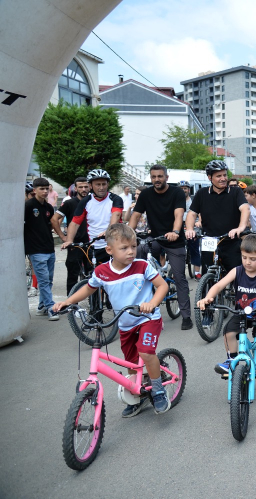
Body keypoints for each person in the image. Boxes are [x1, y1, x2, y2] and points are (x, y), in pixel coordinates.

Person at [52, 224, 171, 416]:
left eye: (133, 246)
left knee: (146, 352)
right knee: (131, 365)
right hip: (124, 323)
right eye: (124, 248)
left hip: (148, 318)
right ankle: (137, 395)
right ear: (109, 250)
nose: (131, 252)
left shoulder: (142, 266)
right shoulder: (101, 272)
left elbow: (162, 286)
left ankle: (158, 390)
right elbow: (88, 289)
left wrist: (153, 303)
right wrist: (67, 302)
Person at [196, 234, 256, 376]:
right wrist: (207, 298)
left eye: (253, 259)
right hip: (241, 313)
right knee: (228, 332)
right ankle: (232, 359)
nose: (247, 262)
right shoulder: (237, 271)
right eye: (244, 257)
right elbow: (218, 286)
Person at [128, 165, 193, 331]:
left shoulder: (177, 192)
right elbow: (136, 215)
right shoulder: (146, 194)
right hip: (155, 238)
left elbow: (179, 215)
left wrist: (176, 231)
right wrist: (127, 235)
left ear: (166, 177)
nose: (157, 179)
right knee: (139, 263)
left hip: (174, 239)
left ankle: (186, 315)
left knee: (179, 276)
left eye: (160, 176)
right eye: (154, 177)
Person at [185, 160, 250, 277]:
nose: (223, 178)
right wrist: (190, 229)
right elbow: (192, 213)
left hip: (231, 240)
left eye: (225, 175)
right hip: (209, 241)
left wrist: (240, 228)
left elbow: (245, 209)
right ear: (210, 178)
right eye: (218, 176)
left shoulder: (235, 192)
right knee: (208, 276)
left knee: (236, 276)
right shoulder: (202, 193)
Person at [62, 169, 123, 267]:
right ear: (90, 186)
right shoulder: (85, 202)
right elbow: (75, 223)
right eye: (98, 184)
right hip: (93, 246)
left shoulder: (115, 199)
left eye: (104, 184)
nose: (101, 187)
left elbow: (115, 216)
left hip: (113, 244)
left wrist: (108, 231)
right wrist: (69, 240)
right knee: (92, 275)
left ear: (108, 184)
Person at [25, 177, 65, 320]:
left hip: (49, 247)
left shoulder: (48, 207)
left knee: (48, 279)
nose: (44, 191)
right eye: (41, 189)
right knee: (43, 280)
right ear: (34, 190)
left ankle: (42, 306)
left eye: (46, 189)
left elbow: (52, 224)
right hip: (36, 249)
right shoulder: (28, 206)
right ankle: (50, 307)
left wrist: (62, 235)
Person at [51, 176, 90, 294]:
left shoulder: (94, 202)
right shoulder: (69, 203)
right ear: (76, 188)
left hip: (92, 244)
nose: (84, 189)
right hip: (75, 245)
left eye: (86, 187)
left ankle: (94, 306)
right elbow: (54, 219)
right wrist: (64, 238)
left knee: (94, 277)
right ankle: (72, 306)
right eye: (81, 187)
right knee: (72, 277)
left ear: (90, 187)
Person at [178, 180, 202, 279]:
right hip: (179, 226)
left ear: (189, 190)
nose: (183, 190)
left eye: (185, 188)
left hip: (193, 226)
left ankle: (197, 272)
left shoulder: (193, 200)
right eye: (181, 189)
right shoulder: (175, 200)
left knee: (195, 248)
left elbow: (200, 213)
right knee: (177, 250)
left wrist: (199, 221)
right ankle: (178, 272)